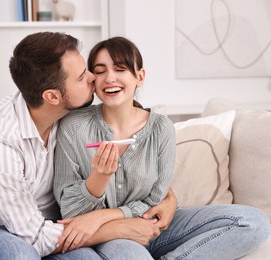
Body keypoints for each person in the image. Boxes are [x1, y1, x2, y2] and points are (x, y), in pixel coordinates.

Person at [0, 32, 178, 260]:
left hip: (53, 226)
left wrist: (169, 200)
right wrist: (116, 228)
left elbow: (142, 167)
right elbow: (34, 238)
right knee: (20, 255)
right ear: (52, 97)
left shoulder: (65, 113)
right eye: (82, 77)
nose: (94, 77)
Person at [53, 36, 271, 259]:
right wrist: (98, 178)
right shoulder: (73, 127)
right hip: (109, 237)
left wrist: (104, 215)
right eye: (100, 71)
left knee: (253, 222)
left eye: (120, 69)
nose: (110, 78)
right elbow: (70, 210)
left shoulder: (161, 128)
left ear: (140, 76)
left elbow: (156, 199)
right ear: (92, 80)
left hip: (156, 226)